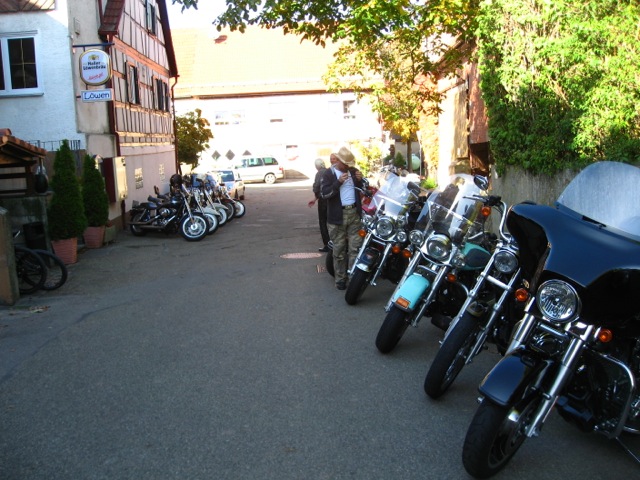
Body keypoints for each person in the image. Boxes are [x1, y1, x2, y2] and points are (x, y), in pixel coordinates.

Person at [320, 147, 364, 290]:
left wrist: (360, 180)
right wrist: (338, 182)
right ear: (338, 161)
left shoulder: (353, 171)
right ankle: (340, 279)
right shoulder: (328, 174)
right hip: (337, 216)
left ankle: (353, 279)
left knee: (355, 249)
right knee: (339, 250)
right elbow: (324, 194)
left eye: (349, 164)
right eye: (345, 164)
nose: (347, 166)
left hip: (354, 214)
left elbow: (362, 188)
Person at [308, 158, 330, 252]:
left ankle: (327, 244)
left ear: (317, 166)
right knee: (332, 222)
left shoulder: (319, 173)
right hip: (332, 200)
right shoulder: (329, 171)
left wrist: (316, 196)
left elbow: (316, 187)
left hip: (323, 200)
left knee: (323, 222)